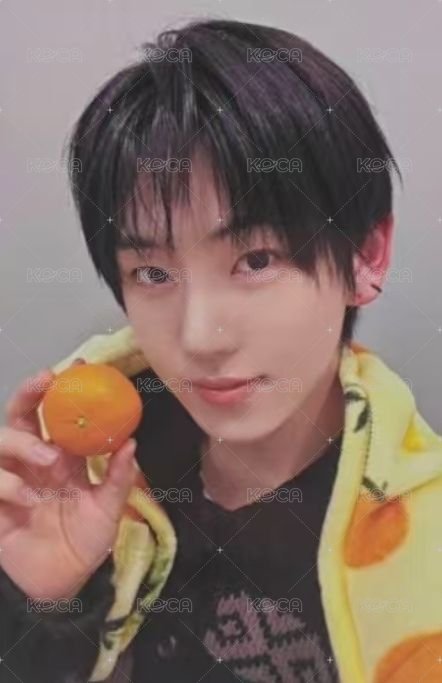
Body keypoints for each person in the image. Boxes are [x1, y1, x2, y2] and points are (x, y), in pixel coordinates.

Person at [2, 17, 442, 683]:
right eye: (154, 273)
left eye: (256, 259)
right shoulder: (79, 479)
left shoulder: (421, 548)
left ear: (366, 257)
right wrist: (46, 603)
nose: (198, 337)